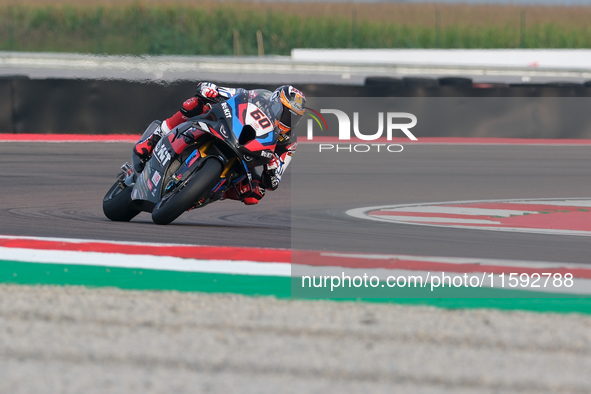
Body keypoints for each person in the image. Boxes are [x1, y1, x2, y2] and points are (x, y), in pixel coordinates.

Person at [133, 82, 306, 205]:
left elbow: (274, 181)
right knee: (196, 103)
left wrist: (273, 171)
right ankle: (156, 136)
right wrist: (212, 90)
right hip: (228, 129)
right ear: (276, 102)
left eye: (294, 118)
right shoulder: (259, 97)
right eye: (286, 114)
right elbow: (233, 93)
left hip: (248, 156)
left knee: (255, 193)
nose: (289, 121)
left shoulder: (289, 142)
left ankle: (210, 190)